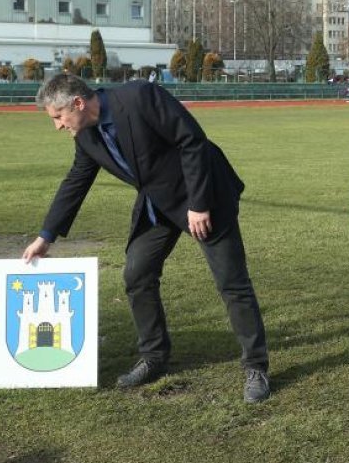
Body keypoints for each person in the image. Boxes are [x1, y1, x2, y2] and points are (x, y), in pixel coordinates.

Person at [22, 74, 271, 403]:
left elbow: (192, 140)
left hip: (204, 195)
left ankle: (256, 368)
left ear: (77, 103)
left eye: (58, 117)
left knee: (231, 282)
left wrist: (199, 205)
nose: (57, 126)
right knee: (137, 274)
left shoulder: (140, 96)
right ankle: (154, 356)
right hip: (159, 204)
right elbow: (76, 182)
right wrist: (46, 236)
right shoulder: (86, 137)